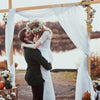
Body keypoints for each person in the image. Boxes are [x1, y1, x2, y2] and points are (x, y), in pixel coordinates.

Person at [21, 20, 55, 100]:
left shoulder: (45, 34)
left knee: (40, 93)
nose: (32, 32)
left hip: (44, 58)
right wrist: (48, 66)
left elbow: (36, 47)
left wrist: (24, 45)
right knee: (38, 96)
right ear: (25, 38)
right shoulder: (30, 49)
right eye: (29, 32)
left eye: (32, 31)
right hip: (35, 76)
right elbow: (41, 60)